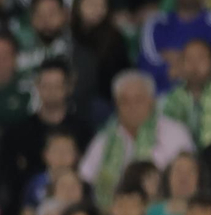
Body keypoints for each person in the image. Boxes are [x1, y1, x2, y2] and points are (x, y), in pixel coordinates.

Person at [80, 71, 195, 207]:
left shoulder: (175, 133)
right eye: (125, 101)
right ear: (116, 105)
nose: (132, 107)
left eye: (138, 100)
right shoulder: (103, 140)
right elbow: (85, 179)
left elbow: (190, 177)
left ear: (152, 101)